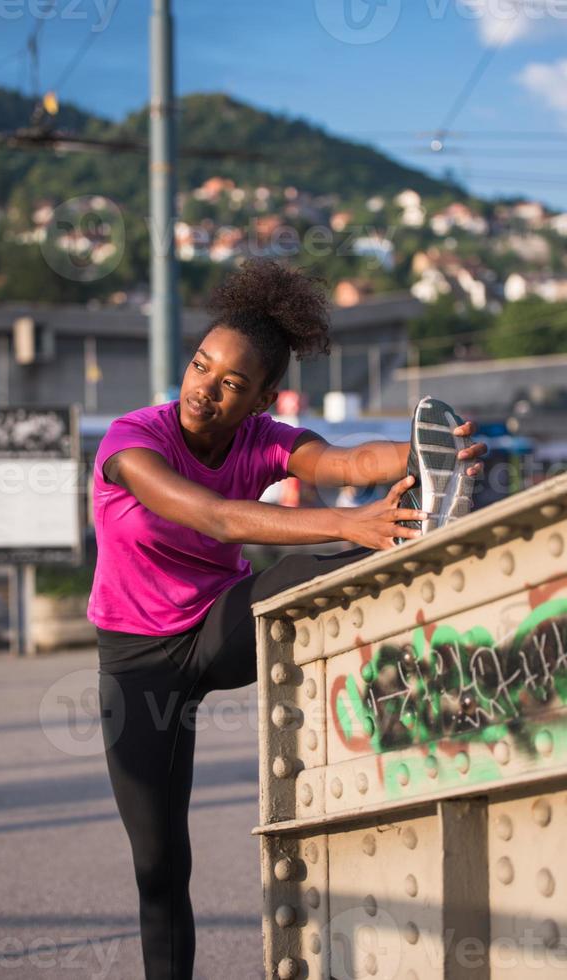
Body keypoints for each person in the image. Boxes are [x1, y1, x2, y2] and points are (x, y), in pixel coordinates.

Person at [87, 259, 485, 980]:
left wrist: (426, 459)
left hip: (218, 628)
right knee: (159, 863)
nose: (205, 388)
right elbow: (212, 514)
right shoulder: (131, 442)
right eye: (202, 365)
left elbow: (347, 458)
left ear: (261, 398)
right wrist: (345, 520)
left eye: (232, 383)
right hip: (135, 659)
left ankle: (414, 524)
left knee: (309, 570)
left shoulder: (263, 439)